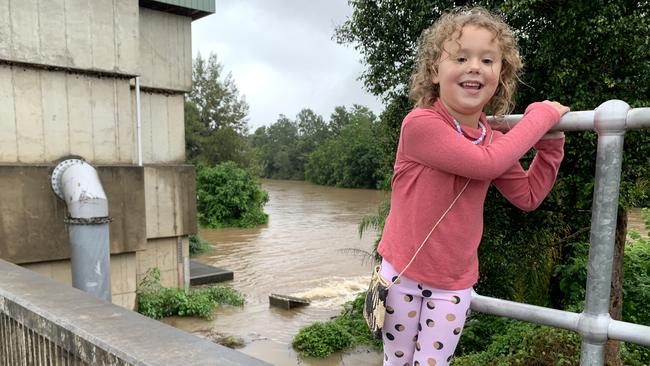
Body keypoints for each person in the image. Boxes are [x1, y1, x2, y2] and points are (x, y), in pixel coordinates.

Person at [375, 6, 569, 366]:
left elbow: (527, 196)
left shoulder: (489, 138)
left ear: (501, 74)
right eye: (460, 57)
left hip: (451, 285)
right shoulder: (420, 125)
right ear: (435, 71)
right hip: (399, 275)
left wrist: (551, 145)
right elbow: (486, 164)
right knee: (395, 363)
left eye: (487, 60)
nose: (474, 67)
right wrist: (541, 117)